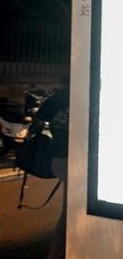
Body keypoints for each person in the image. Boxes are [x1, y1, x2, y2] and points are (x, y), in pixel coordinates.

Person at [39, 85, 69, 259]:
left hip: (59, 160)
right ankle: (57, 253)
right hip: (72, 162)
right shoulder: (80, 100)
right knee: (70, 213)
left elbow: (41, 117)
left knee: (69, 210)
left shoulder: (57, 101)